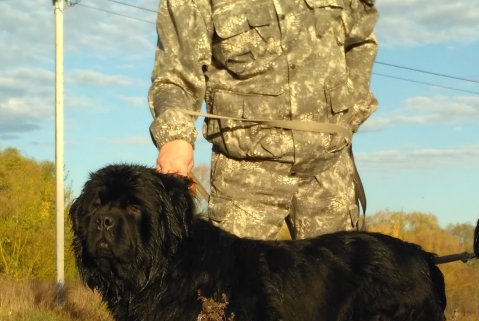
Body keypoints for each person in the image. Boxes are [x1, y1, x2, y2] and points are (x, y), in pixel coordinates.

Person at [148, 0, 379, 240]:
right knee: (234, 277)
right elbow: (176, 74)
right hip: (245, 174)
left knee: (339, 277)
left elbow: (362, 41)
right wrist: (175, 138)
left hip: (329, 170)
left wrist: (347, 117)